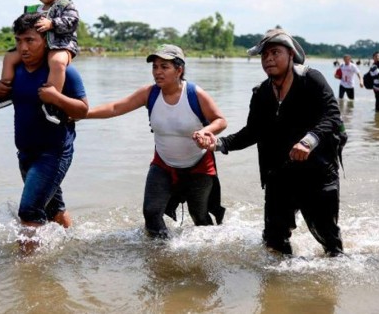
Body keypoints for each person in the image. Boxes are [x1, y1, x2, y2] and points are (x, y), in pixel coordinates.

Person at [204, 29, 345, 256]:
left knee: (328, 238)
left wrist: (308, 142)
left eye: (275, 52)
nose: (268, 59)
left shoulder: (311, 80)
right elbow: (252, 132)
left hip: (318, 173)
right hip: (279, 175)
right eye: (264, 55)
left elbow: (332, 116)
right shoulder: (261, 93)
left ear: (291, 55)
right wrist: (218, 144)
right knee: (274, 242)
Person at [85, 44, 227, 239]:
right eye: (155, 67)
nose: (157, 72)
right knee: (151, 213)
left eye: (164, 67)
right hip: (163, 165)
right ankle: (161, 257)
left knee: (200, 217)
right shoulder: (150, 94)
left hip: (199, 166)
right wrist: (82, 114)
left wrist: (205, 131)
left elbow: (220, 120)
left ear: (179, 70)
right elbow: (115, 108)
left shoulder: (195, 94)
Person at [0, 13, 89, 252]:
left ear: (46, 40)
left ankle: (28, 274)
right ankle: (73, 248)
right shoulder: (17, 71)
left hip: (54, 153)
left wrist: (57, 97)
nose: (23, 47)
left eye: (30, 40)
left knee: (29, 210)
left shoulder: (63, 72)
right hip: (25, 153)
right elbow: (0, 93)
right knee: (54, 209)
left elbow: (83, 110)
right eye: (19, 40)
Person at [0, 0, 80, 125]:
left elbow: (73, 22)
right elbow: (23, 28)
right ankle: (5, 90)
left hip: (61, 45)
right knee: (9, 57)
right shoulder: (34, 9)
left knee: (57, 62)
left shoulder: (65, 4)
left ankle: (52, 102)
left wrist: (53, 23)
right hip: (37, 47)